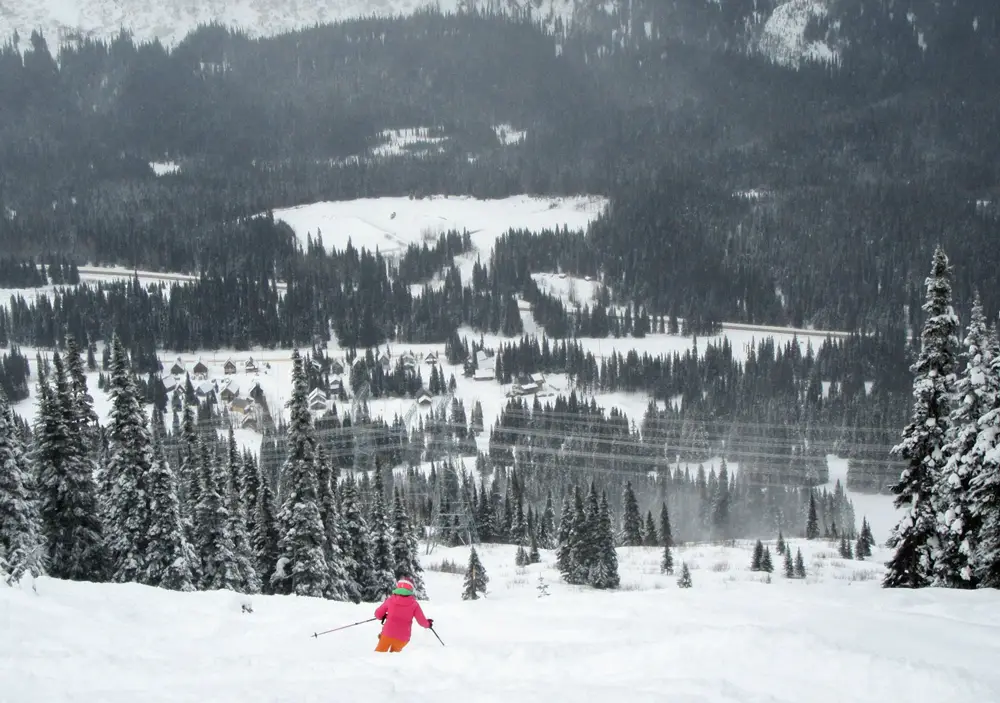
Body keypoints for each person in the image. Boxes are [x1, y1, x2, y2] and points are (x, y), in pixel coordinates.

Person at [373, 578, 433, 653]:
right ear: (411, 589)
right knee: (394, 659)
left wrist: (384, 615)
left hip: (387, 634)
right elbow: (422, 622)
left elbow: (378, 615)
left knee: (378, 656)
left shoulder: (390, 600)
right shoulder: (414, 604)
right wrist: (428, 624)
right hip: (403, 638)